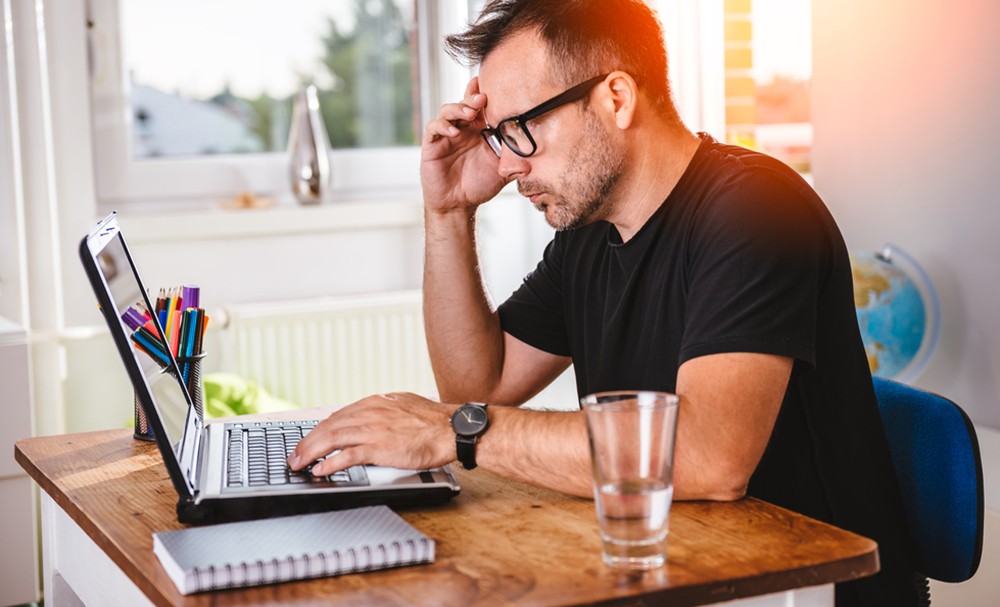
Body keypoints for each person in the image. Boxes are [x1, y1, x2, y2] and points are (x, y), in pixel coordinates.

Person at [290, 1, 917, 604]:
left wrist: (453, 433)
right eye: (496, 136)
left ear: (616, 97)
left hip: (798, 588)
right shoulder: (591, 234)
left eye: (520, 130)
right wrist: (448, 210)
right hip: (672, 567)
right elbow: (476, 383)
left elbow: (709, 458)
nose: (507, 165)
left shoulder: (755, 211)